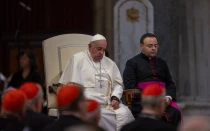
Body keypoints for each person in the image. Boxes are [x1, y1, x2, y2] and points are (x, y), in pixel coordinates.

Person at [59, 34, 134, 131]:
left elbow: (118, 85)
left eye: (104, 50)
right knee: (100, 114)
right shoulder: (78, 59)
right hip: (87, 101)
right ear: (90, 47)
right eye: (99, 49)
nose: (101, 53)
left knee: (125, 113)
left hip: (108, 103)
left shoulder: (110, 63)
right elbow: (73, 85)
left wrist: (115, 97)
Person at [123, 33, 181, 126]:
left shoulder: (162, 63)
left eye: (155, 46)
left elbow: (170, 84)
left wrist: (168, 97)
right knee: (157, 117)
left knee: (175, 112)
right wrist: (152, 96)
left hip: (163, 101)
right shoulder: (132, 63)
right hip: (142, 101)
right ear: (141, 46)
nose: (154, 48)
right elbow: (130, 86)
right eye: (150, 46)